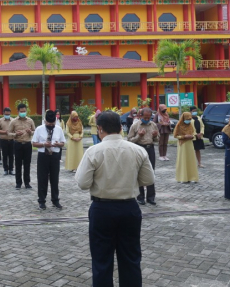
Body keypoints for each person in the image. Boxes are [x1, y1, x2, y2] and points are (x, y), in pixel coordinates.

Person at [75, 111, 155, 287]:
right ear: (121, 128)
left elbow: (82, 183)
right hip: (129, 209)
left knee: (102, 261)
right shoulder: (137, 150)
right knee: (131, 259)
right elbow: (148, 180)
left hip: (102, 210)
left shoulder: (93, 151)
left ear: (100, 129)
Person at [32, 110, 66, 210]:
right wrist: (43, 144)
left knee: (55, 179)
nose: (51, 125)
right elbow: (34, 143)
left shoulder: (59, 129)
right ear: (45, 121)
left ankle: (55, 200)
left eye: (52, 123)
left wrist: (58, 144)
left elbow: (63, 143)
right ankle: (42, 201)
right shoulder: (39, 129)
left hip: (55, 155)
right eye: (49, 123)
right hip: (43, 156)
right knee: (42, 179)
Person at [127, 107, 159, 206]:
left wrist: (155, 136)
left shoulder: (153, 125)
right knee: (139, 172)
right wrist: (139, 136)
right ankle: (140, 197)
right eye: (145, 117)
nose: (147, 119)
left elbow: (158, 139)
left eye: (149, 117)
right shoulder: (135, 125)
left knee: (151, 172)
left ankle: (151, 197)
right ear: (141, 116)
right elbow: (129, 140)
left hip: (150, 149)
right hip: (139, 149)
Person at [8, 103, 36, 189]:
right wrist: (15, 134)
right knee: (18, 164)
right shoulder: (13, 121)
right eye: (21, 111)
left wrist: (30, 132)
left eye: (24, 111)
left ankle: (27, 183)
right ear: (18, 111)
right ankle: (18, 183)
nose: (23, 113)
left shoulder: (30, 121)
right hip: (18, 144)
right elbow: (8, 133)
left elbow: (35, 132)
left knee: (27, 164)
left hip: (27, 144)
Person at [173, 112, 198, 183]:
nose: (188, 121)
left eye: (190, 119)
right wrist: (184, 136)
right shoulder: (179, 125)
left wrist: (192, 136)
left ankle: (192, 177)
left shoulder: (190, 125)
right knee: (183, 160)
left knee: (191, 160)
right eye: (187, 119)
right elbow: (175, 135)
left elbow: (193, 132)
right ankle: (182, 178)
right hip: (182, 145)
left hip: (189, 144)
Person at [0, 107, 14, 176]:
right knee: (5, 155)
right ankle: (5, 169)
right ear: (3, 113)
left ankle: (11, 169)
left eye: (8, 114)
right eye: (6, 114)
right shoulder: (0, 121)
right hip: (3, 140)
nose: (7, 115)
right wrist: (4, 132)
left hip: (11, 140)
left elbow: (15, 129)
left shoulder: (13, 120)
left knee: (11, 156)